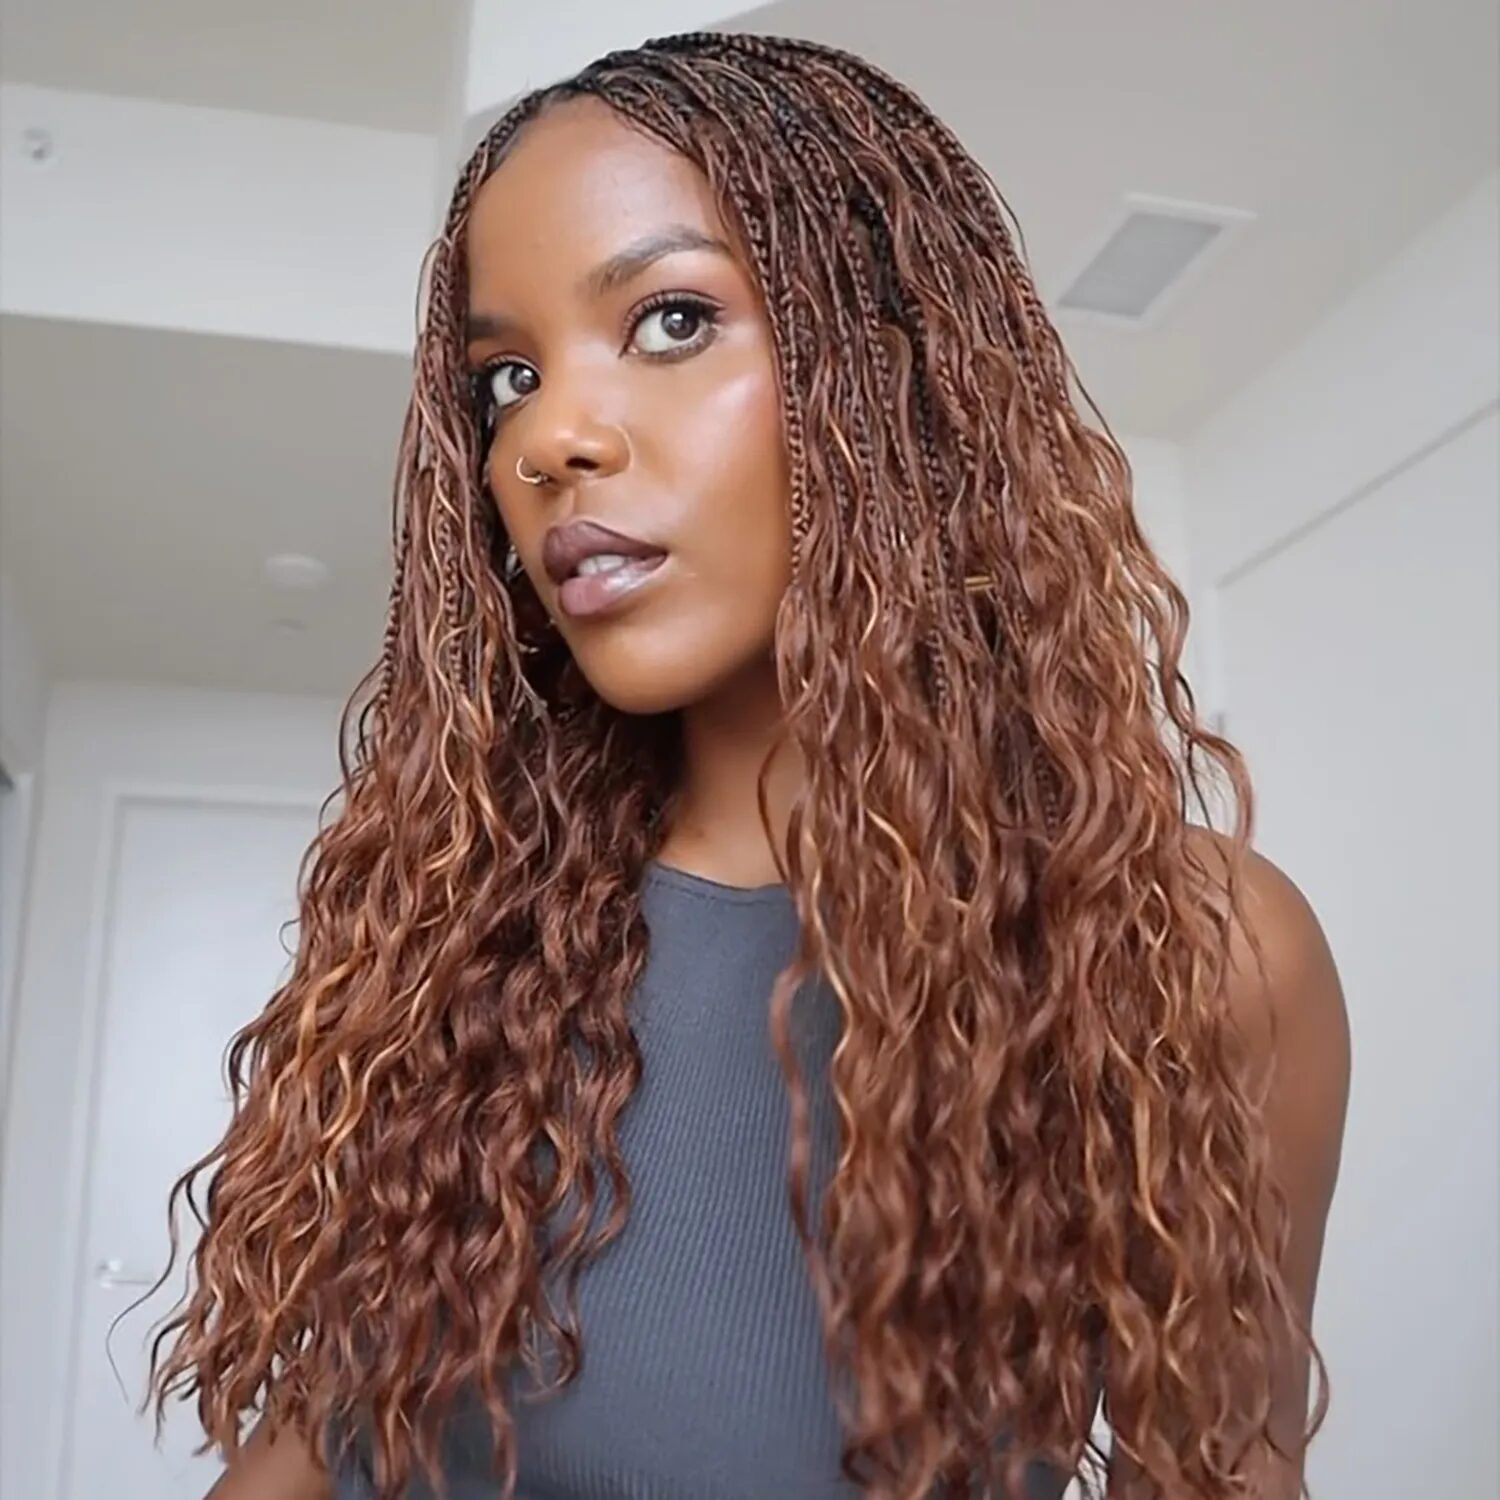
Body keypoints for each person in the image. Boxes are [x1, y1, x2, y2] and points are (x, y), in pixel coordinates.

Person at [147, 31, 1350, 1500]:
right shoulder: (470, 952)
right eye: (506, 377)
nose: (548, 439)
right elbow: (311, 1449)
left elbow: (1224, 1468)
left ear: (892, 374)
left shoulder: (1194, 956)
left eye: (665, 320)